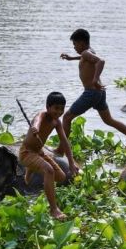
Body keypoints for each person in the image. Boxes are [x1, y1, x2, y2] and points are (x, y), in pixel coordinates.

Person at [54, 28, 126, 155]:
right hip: (99, 93)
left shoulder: (86, 53)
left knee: (67, 117)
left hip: (91, 93)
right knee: (109, 120)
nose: (74, 47)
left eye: (75, 44)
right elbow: (86, 58)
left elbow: (100, 61)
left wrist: (95, 79)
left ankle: (60, 150)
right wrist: (71, 58)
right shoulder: (88, 52)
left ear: (81, 43)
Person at [19, 92, 78, 220]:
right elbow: (37, 121)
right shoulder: (42, 115)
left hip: (40, 152)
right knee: (48, 170)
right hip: (27, 152)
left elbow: (65, 142)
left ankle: (32, 169)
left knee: (61, 177)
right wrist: (35, 127)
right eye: (56, 108)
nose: (59, 112)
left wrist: (72, 163)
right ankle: (53, 209)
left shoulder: (57, 122)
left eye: (62, 109)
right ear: (48, 107)